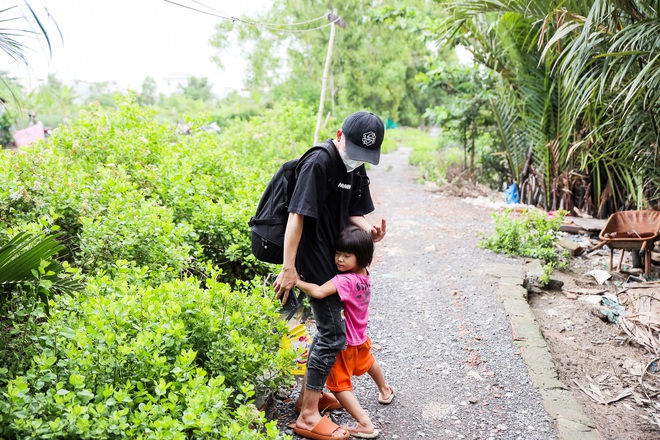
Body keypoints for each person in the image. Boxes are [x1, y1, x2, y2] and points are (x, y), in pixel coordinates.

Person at [274, 111, 387, 440]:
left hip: (334, 259)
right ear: (340, 135)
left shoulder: (356, 165)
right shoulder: (319, 162)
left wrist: (369, 231)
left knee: (329, 334)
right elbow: (297, 216)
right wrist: (288, 268)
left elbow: (354, 212)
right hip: (311, 260)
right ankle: (309, 415)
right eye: (355, 152)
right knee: (333, 336)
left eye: (365, 156)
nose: (358, 160)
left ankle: (305, 399)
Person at [295, 226, 394, 439]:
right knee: (368, 362)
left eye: (347, 256)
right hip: (360, 336)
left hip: (346, 341)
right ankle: (385, 390)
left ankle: (364, 423)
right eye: (338, 253)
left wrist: (296, 280)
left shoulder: (345, 280)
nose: (339, 259)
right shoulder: (364, 274)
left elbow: (319, 292)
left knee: (339, 385)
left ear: (361, 257)